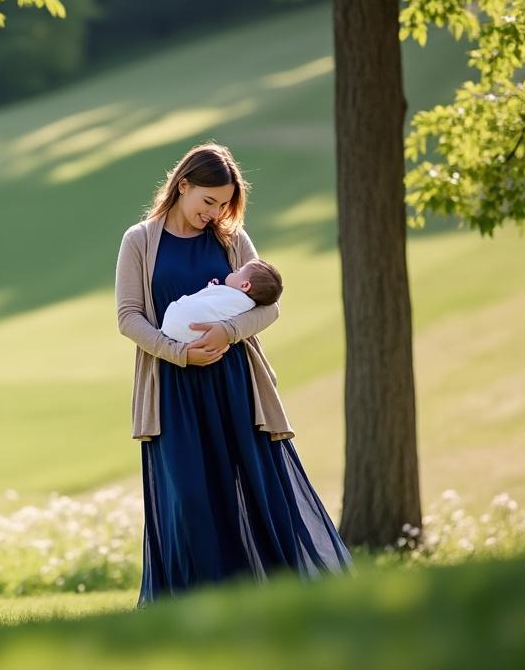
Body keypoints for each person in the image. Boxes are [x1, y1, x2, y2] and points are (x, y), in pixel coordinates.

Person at [114, 141, 352, 605]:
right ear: (183, 186)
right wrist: (180, 353)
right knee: (189, 501)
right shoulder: (139, 240)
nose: (215, 212)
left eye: (223, 204)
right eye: (208, 201)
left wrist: (226, 331)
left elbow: (269, 308)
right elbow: (129, 317)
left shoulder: (231, 239)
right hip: (172, 392)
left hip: (233, 384)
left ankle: (277, 601)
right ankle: (192, 609)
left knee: (255, 491)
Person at [159, 258, 283, 344]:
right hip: (179, 341)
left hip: (174, 325)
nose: (235, 271)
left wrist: (226, 331)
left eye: (238, 271)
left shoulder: (232, 296)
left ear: (245, 285)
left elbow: (203, 295)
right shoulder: (246, 304)